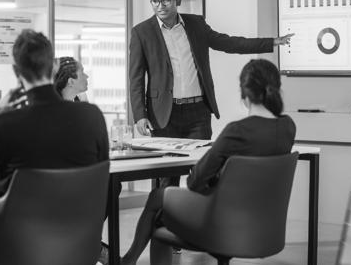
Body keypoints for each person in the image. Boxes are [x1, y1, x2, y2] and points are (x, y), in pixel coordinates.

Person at [0, 30, 110, 264]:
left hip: (17, 241)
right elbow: (101, 169)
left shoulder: (7, 122)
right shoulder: (92, 116)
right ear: (53, 66)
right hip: (77, 236)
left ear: (16, 72)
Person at [120, 59, 297, 265]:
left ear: (244, 94)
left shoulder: (237, 131)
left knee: (158, 203)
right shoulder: (287, 128)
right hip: (261, 226)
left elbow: (195, 182)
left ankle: (127, 261)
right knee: (160, 208)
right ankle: (128, 261)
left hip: (220, 224)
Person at [129, 0, 294, 140]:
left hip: (198, 112)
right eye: (155, 1)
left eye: (166, 0)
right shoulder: (141, 32)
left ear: (177, 0)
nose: (160, 6)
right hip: (163, 114)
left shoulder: (196, 24)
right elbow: (135, 79)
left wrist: (272, 42)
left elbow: (230, 43)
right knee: (168, 166)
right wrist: (139, 115)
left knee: (200, 163)